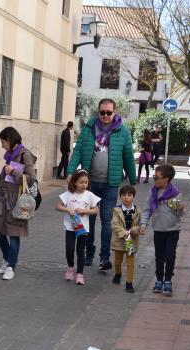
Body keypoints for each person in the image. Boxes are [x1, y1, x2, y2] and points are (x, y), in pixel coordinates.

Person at [66, 98, 137, 272]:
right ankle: (89, 252)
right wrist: (70, 171)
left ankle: (104, 257)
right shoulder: (89, 128)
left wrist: (133, 181)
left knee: (107, 221)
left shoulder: (123, 131)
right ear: (98, 112)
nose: (105, 115)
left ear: (115, 112)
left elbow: (128, 155)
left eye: (109, 112)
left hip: (110, 184)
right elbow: (78, 150)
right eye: (102, 112)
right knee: (89, 219)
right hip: (88, 184)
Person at [0, 127, 37, 281]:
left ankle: (11, 266)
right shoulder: (9, 155)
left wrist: (13, 172)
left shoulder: (25, 154)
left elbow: (31, 179)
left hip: (17, 200)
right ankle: (6, 258)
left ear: (9, 140)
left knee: (14, 233)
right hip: (3, 199)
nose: (2, 145)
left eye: (2, 141)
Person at [140, 164, 185, 296]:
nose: (154, 179)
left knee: (170, 256)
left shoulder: (175, 194)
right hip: (158, 230)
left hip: (172, 230)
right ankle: (159, 280)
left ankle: (168, 281)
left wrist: (181, 209)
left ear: (166, 179)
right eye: (154, 177)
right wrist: (143, 225)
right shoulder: (153, 192)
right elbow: (147, 209)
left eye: (157, 177)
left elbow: (179, 214)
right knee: (159, 256)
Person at [56, 170, 100, 285]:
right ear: (75, 182)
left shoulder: (89, 195)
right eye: (81, 182)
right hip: (70, 227)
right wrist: (68, 209)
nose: (84, 185)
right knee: (69, 249)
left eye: (86, 182)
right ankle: (70, 267)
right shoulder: (68, 194)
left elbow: (96, 210)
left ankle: (80, 273)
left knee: (80, 251)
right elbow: (58, 206)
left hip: (83, 228)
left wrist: (84, 211)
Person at [110, 185, 142, 293]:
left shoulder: (137, 211)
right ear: (120, 197)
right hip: (120, 239)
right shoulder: (116, 210)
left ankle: (129, 283)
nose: (126, 197)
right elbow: (114, 225)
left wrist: (134, 230)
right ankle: (118, 273)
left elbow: (140, 225)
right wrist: (124, 233)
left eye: (129, 195)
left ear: (133, 196)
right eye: (123, 195)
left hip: (130, 240)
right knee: (118, 261)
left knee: (130, 262)